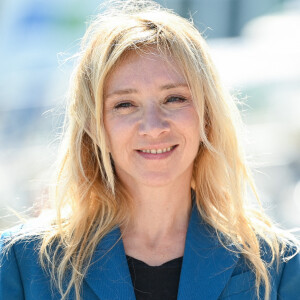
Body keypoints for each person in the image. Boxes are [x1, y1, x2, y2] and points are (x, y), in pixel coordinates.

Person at [1, 1, 299, 299]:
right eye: (125, 104)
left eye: (174, 99)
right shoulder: (22, 266)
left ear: (207, 114)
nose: (153, 127)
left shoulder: (278, 267)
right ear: (94, 127)